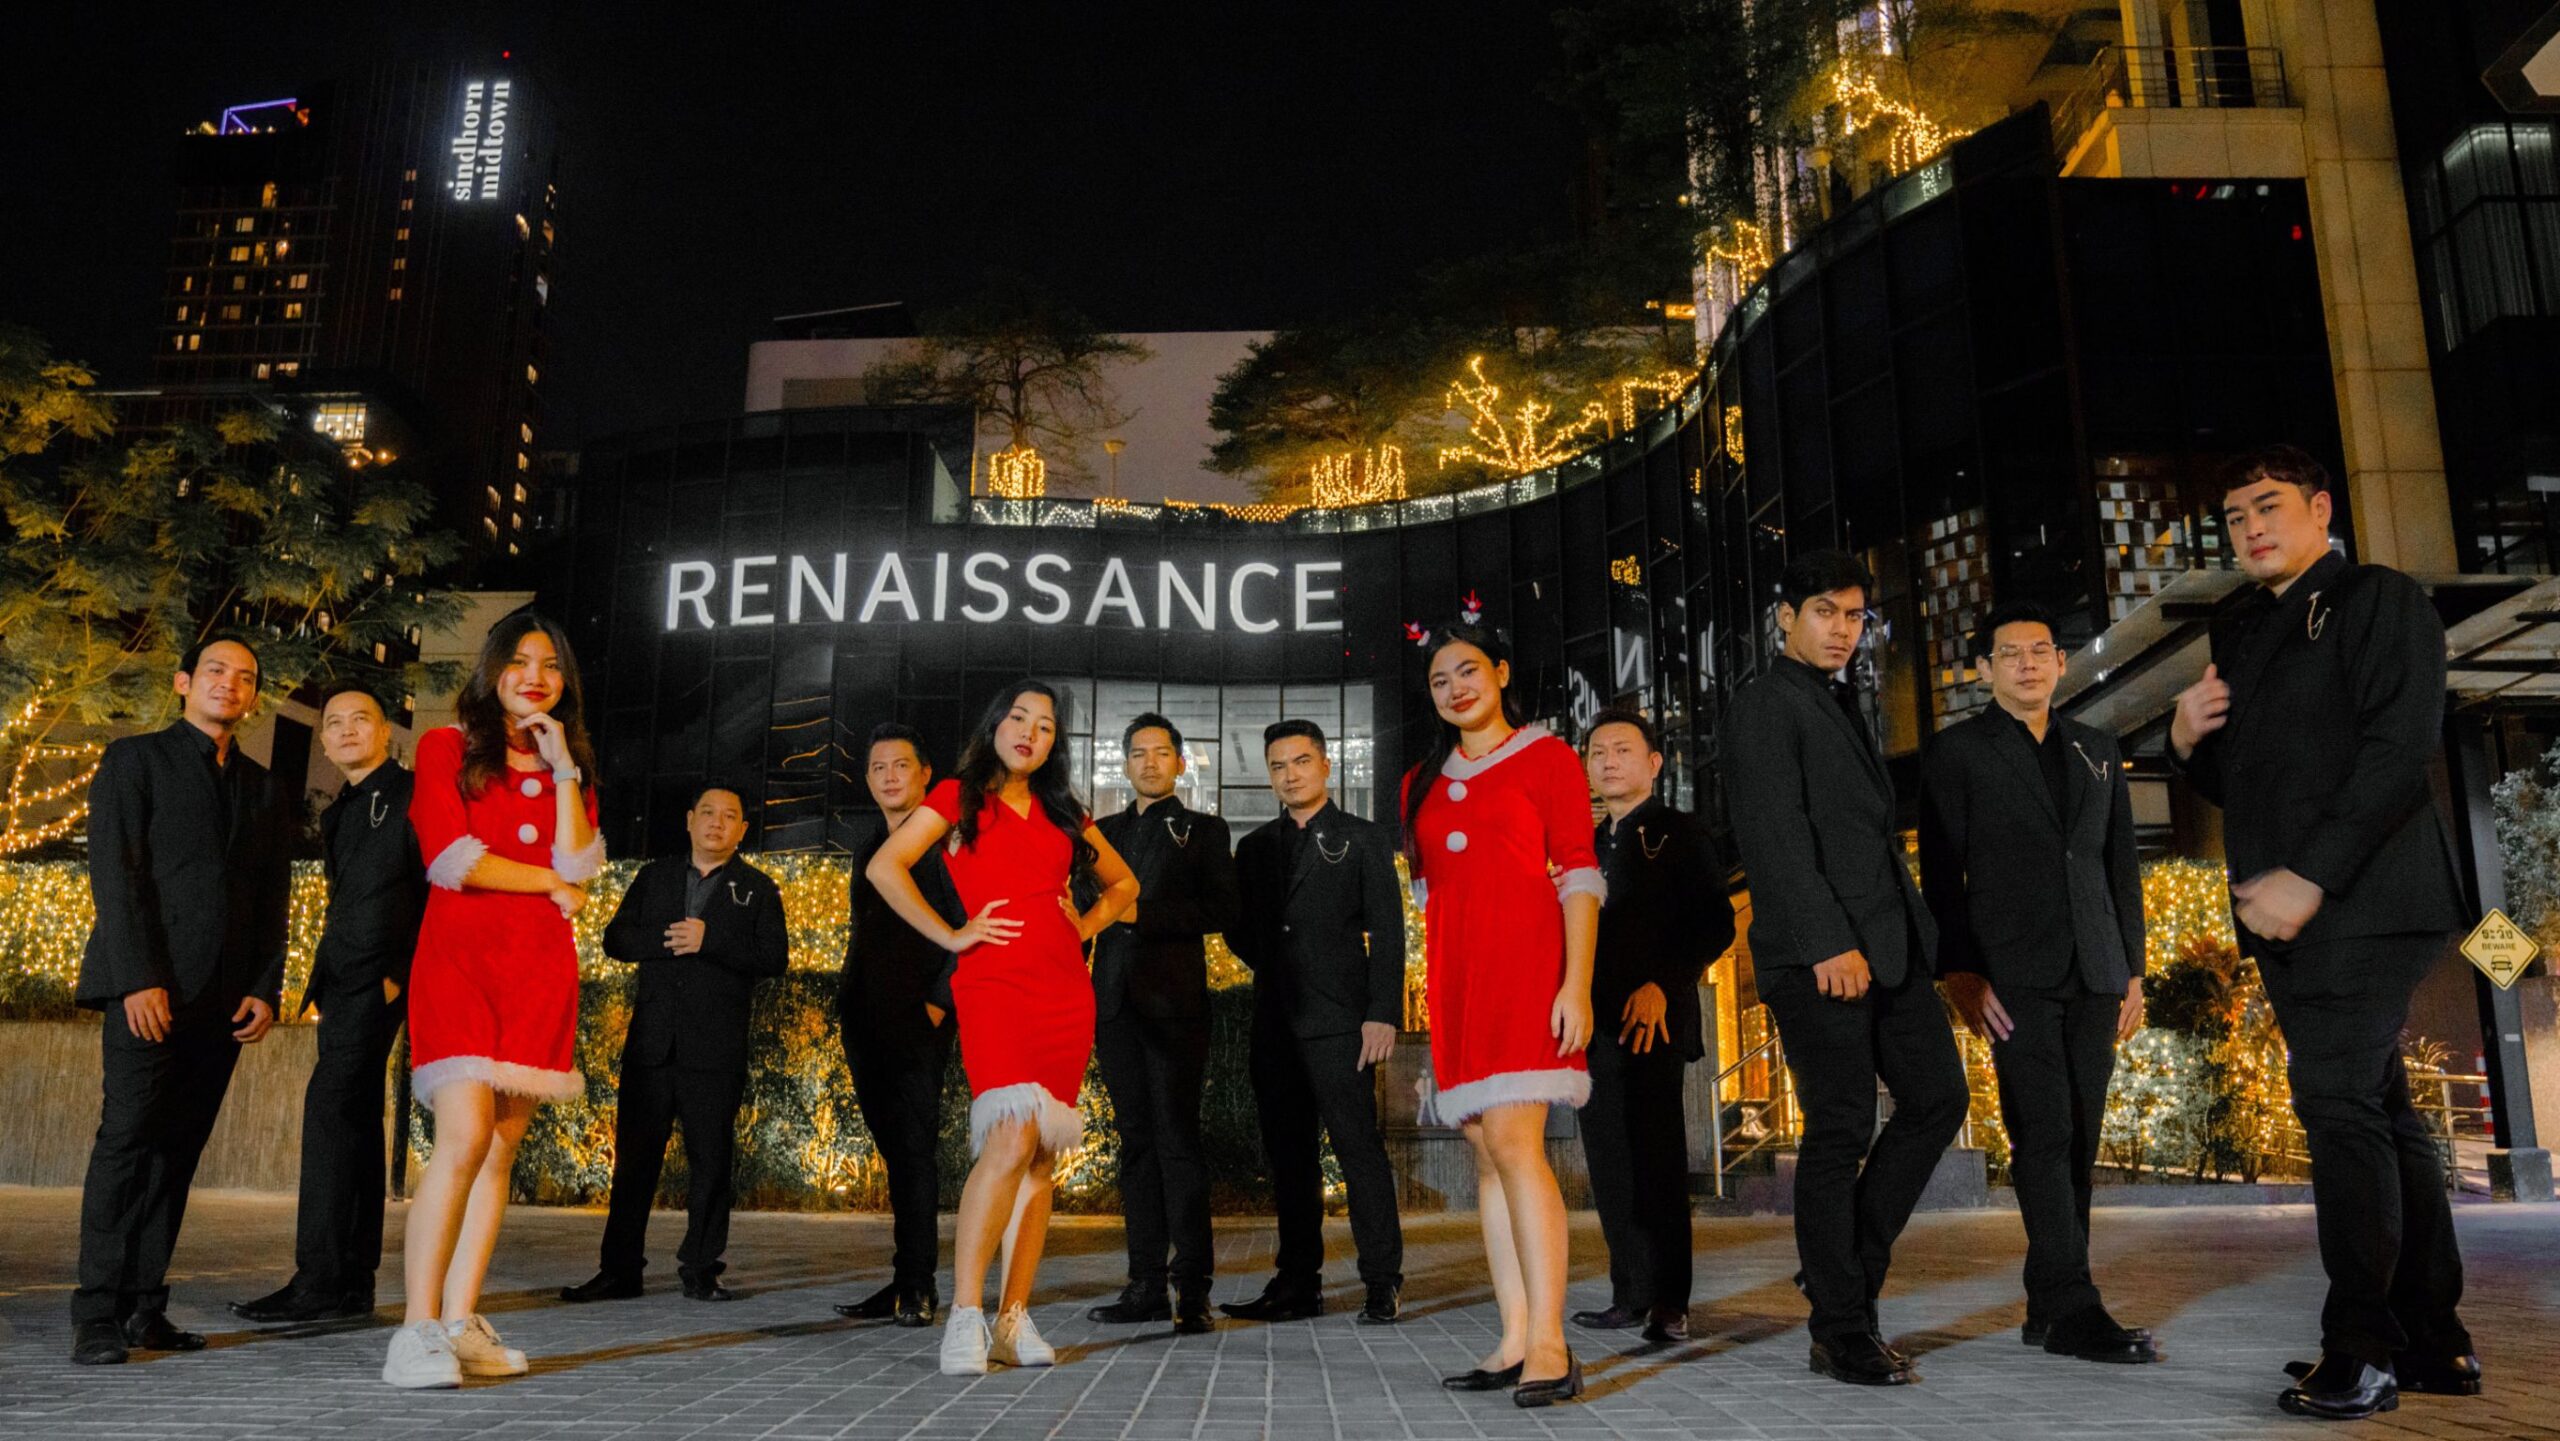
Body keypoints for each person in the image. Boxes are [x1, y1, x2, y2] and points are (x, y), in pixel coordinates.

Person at [2169, 446, 2475, 1421]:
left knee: (2337, 1105)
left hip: (2367, 902)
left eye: (2269, 506)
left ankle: (2362, 1349)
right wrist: (2184, 743)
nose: (2251, 527)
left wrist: (2311, 875)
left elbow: (2398, 747)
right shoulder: (2239, 624)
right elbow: (2241, 777)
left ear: (2319, 508)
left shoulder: (2379, 600)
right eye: (2234, 516)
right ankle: (2433, 1339)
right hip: (2283, 914)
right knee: (2378, 1109)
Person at [1721, 549, 1968, 1387]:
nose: (1841, 629)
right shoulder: (1764, 703)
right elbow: (1775, 835)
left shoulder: (1839, 699)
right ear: (1785, 617)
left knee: (1940, 1096)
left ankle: (1842, 1266)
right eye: (1824, 611)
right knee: (1840, 1128)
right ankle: (1840, 1326)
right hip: (1819, 953)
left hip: (1889, 947)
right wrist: (1828, 940)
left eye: (1854, 614)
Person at [865, 681, 1139, 1376]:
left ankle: (1014, 1320)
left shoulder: (1064, 810)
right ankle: (966, 1314)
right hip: (993, 982)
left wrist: (1085, 924)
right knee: (1010, 1136)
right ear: (995, 725)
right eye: (1019, 717)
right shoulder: (956, 797)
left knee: (1041, 1156)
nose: (1030, 733)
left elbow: (1126, 886)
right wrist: (952, 934)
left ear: (1053, 745)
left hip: (1063, 990)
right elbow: (884, 867)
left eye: (1045, 726)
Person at [1917, 601, 2156, 1364]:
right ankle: (2073, 1305)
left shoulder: (2096, 747)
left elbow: (2119, 864)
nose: (2027, 663)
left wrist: (2133, 967)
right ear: (1984, 669)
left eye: (2040, 650)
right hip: (2010, 972)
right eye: (2010, 653)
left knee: (2079, 1133)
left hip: (2097, 968)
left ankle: (2051, 1302)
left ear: (2060, 662)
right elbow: (1942, 873)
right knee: (2043, 1129)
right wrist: (1958, 970)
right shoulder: (1958, 752)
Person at [383, 612, 604, 1389]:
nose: (535, 675)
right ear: (491, 669)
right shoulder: (448, 747)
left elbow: (580, 863)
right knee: (464, 1134)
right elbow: (451, 858)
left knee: (500, 1149)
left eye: (550, 664)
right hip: (460, 960)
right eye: (519, 660)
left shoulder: (568, 764)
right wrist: (546, 881)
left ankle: (459, 1319)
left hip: (538, 968)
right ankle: (413, 1329)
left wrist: (565, 769)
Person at [69, 634, 292, 1365]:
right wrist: (137, 977)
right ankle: (96, 1312)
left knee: (178, 1152)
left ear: (254, 696)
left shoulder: (263, 786)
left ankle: (144, 1307)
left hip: (224, 1002)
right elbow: (116, 874)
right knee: (128, 1140)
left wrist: (264, 987)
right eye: (216, 671)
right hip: (148, 989)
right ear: (184, 682)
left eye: (245, 677)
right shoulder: (135, 760)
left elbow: (271, 898)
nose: (230, 684)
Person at [1402, 622, 1602, 1409]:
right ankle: (1515, 1335)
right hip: (1459, 980)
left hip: (1527, 968)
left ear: (1502, 672)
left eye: (1469, 670)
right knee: (1486, 1152)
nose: (1456, 688)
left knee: (1518, 1143)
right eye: (1439, 679)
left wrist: (1576, 984)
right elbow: (1432, 897)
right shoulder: (1418, 781)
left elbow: (1578, 872)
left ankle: (1551, 1341)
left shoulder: (1548, 757)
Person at [232, 686, 427, 1327]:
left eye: (359, 720)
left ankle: (318, 1279)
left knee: (328, 1113)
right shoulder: (341, 809)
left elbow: (440, 888)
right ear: (323, 740)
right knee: (355, 1123)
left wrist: (399, 976)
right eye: (334, 723)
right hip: (340, 983)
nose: (345, 730)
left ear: (385, 732)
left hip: (379, 982)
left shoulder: (415, 795)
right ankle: (350, 1281)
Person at [561, 784, 788, 1304]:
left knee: (711, 1164)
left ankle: (702, 1269)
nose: (716, 823)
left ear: (742, 830)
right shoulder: (655, 877)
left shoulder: (757, 888)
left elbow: (774, 957)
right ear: (689, 820)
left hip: (716, 1051)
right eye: (707, 812)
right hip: (652, 1047)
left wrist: (711, 941)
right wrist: (669, 940)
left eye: (729, 816)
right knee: (633, 1164)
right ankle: (619, 1271)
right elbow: (616, 939)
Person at [1225, 718, 1408, 1326]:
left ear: (1326, 765)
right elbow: (1240, 929)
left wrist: (1381, 1014)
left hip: (1342, 1024)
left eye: (1301, 761)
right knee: (1289, 1158)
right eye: (1278, 766)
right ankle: (1297, 1284)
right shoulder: (1255, 848)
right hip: (1276, 1021)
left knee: (1359, 1151)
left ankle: (1381, 1280)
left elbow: (1389, 932)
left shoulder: (1363, 837)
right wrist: (1279, 965)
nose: (1290, 775)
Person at [1574, 706, 1733, 1346]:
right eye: (1597, 753)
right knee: (1609, 1165)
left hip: (1654, 1022)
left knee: (1658, 1162)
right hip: (1592, 1026)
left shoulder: (1680, 832)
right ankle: (1628, 1293)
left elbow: (1716, 924)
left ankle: (1669, 1301)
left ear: (1654, 763)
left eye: (1622, 750)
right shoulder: (1583, 845)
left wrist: (1664, 983)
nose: (1609, 762)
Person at [1087, 713, 1238, 1334]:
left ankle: (1192, 1288)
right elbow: (1079, 914)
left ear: (1180, 762)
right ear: (1124, 764)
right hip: (1113, 1007)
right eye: (1138, 753)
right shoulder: (1101, 834)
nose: (1149, 762)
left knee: (1177, 1141)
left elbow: (1219, 909)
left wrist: (1136, 915)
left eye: (1161, 752)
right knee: (1135, 1144)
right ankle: (1144, 1284)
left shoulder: (1204, 830)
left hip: (1176, 1008)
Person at [833, 722, 962, 1328]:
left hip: (918, 1020)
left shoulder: (943, 846)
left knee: (913, 1151)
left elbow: (967, 929)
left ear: (926, 775)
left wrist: (938, 1004)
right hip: (865, 1018)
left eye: (901, 765)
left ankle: (917, 1285)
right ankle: (901, 1278)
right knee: (894, 1152)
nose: (889, 777)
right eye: (878, 767)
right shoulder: (867, 848)